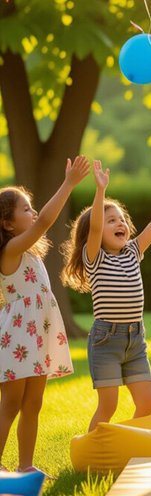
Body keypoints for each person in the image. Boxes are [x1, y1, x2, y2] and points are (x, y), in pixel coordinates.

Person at [61, 160, 151, 431]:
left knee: (146, 403)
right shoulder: (95, 258)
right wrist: (100, 191)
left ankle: (128, 445)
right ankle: (93, 450)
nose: (120, 223)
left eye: (122, 219)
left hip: (136, 339)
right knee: (108, 406)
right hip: (106, 340)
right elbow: (95, 228)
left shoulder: (133, 252)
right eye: (111, 220)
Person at [0, 156, 91, 475]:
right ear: (7, 224)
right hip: (17, 340)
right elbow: (43, 224)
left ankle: (25, 465)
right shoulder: (9, 251)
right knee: (10, 404)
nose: (34, 213)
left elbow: (39, 226)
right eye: (25, 209)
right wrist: (68, 183)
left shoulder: (29, 253)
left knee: (33, 404)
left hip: (36, 336)